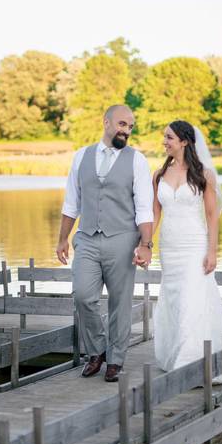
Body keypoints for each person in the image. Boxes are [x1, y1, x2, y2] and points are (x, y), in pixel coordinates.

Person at [56, 104, 154, 382]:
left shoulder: (137, 160)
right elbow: (71, 202)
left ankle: (116, 359)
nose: (127, 130)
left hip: (123, 239)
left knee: (120, 303)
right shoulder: (81, 156)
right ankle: (97, 350)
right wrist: (62, 238)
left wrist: (146, 244)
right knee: (83, 296)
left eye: (131, 126)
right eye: (122, 124)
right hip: (86, 238)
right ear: (106, 122)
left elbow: (144, 208)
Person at [151, 120, 222, 377]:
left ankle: (190, 365)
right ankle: (175, 355)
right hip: (169, 247)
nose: (164, 141)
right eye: (164, 137)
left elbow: (212, 216)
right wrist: (144, 244)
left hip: (194, 245)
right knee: (174, 298)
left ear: (184, 141)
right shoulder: (158, 175)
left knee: (193, 298)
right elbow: (155, 215)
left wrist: (212, 252)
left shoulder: (203, 175)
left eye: (169, 137)